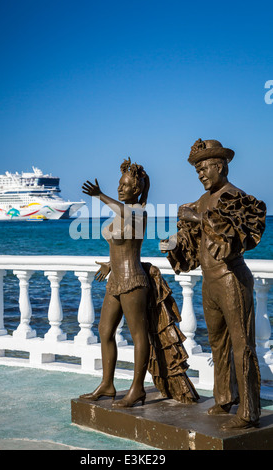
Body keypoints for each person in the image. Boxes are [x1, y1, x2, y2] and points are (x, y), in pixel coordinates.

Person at [160, 139, 266, 430]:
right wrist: (172, 244)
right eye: (197, 170)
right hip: (209, 281)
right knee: (217, 343)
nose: (201, 175)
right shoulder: (201, 200)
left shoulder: (237, 198)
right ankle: (224, 398)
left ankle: (249, 411)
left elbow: (233, 235)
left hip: (231, 279)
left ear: (220, 166)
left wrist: (196, 216)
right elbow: (193, 245)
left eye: (205, 168)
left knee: (242, 345)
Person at [80, 157, 199, 408]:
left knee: (138, 336)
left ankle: (137, 390)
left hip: (134, 280)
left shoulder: (139, 213)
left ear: (136, 190)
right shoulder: (123, 213)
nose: (120, 188)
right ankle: (107, 384)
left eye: (125, 186)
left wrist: (100, 196)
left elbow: (130, 230)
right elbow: (123, 245)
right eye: (119, 184)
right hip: (115, 280)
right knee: (104, 331)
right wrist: (110, 264)